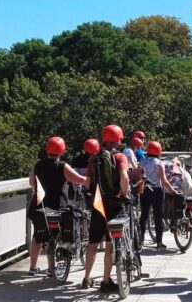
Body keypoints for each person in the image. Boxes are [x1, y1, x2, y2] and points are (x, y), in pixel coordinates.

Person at [27, 136, 88, 276]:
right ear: (62, 151)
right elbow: (77, 179)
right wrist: (89, 181)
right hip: (58, 205)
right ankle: (51, 267)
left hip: (40, 205)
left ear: (47, 149)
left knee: (38, 235)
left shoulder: (38, 165)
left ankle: (33, 266)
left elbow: (31, 182)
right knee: (58, 234)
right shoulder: (62, 166)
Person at [82, 124, 130, 292]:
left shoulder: (94, 158)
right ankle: (105, 280)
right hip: (114, 203)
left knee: (93, 243)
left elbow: (88, 183)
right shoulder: (120, 157)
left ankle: (86, 278)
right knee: (111, 244)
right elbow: (124, 177)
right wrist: (124, 194)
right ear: (119, 138)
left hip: (97, 203)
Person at [138, 141, 177, 249]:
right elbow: (163, 180)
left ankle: (140, 241)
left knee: (143, 216)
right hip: (157, 191)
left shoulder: (142, 162)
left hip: (145, 190)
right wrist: (172, 189)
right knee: (158, 217)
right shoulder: (159, 163)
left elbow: (139, 177)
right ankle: (159, 242)